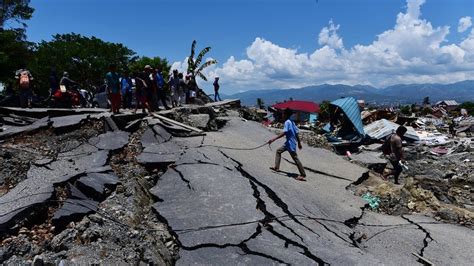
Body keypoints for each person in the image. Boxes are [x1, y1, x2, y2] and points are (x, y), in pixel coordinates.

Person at [268, 108, 307, 181]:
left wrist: (273, 139)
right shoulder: (292, 122)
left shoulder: (287, 122)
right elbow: (296, 133)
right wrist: (299, 143)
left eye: (283, 113)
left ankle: (302, 174)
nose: (282, 115)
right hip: (289, 143)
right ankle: (276, 167)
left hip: (290, 144)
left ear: (286, 114)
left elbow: (285, 132)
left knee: (295, 158)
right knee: (278, 151)